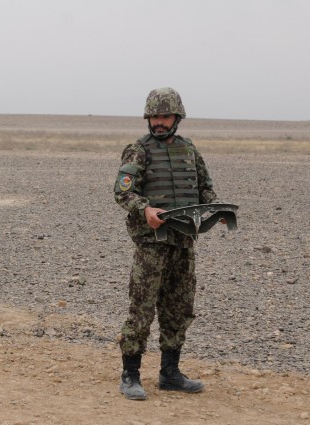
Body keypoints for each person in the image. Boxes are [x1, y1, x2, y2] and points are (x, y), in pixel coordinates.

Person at [113, 87, 219, 400]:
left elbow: (206, 189)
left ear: (177, 117)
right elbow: (123, 192)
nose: (159, 122)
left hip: (183, 243)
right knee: (141, 310)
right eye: (154, 116)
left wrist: (215, 209)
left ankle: (170, 373)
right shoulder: (137, 150)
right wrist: (144, 209)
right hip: (152, 245)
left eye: (165, 116)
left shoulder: (189, 150)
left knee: (179, 308)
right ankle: (130, 375)